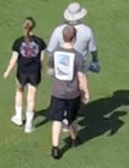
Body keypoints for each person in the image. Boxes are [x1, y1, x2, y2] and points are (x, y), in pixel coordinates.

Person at [46, 24, 90, 160]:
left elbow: (51, 71)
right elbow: (81, 76)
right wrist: (85, 92)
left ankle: (55, 147)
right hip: (73, 93)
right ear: (74, 38)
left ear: (63, 37)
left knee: (57, 119)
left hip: (57, 92)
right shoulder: (78, 56)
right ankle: (74, 139)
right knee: (72, 118)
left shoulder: (54, 53)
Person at [3, 17, 47, 133]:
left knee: (19, 92)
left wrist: (7, 71)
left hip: (21, 72)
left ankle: (18, 117)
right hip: (34, 73)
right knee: (31, 97)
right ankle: (29, 124)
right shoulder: (40, 42)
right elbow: (42, 59)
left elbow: (14, 59)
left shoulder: (19, 42)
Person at [47, 3, 99, 74]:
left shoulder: (58, 30)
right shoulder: (87, 30)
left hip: (62, 68)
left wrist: (51, 66)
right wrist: (95, 62)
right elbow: (93, 50)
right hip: (80, 67)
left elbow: (50, 50)